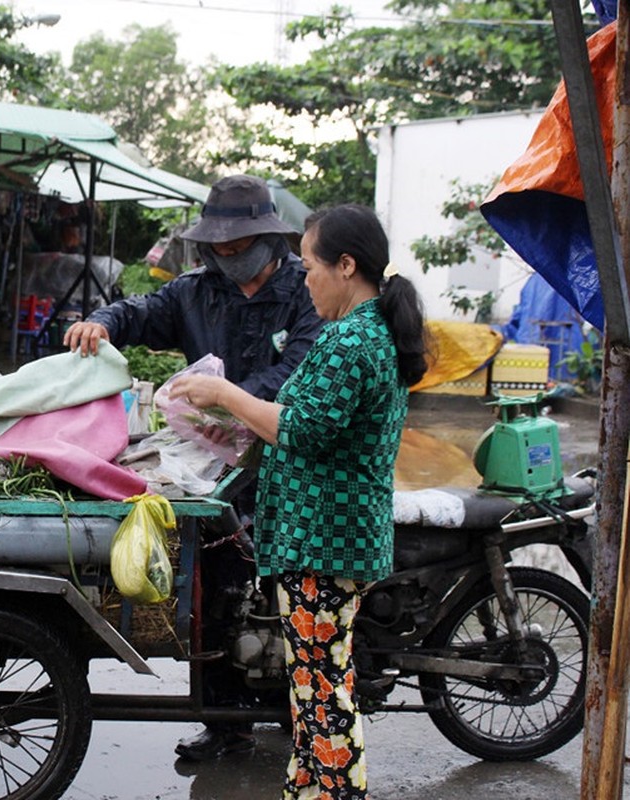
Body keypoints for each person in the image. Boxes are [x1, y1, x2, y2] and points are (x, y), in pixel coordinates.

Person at [170, 204, 428, 799]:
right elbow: (307, 428)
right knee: (314, 682)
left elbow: (302, 428)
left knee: (322, 685)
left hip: (323, 539)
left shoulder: (350, 339)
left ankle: (336, 792)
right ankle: (308, 790)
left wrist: (224, 393)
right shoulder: (368, 333)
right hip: (332, 535)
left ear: (345, 265)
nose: (303, 278)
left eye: (309, 265)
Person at [64, 174, 325, 761]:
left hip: (291, 462)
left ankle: (303, 710)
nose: (227, 260)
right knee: (213, 587)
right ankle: (226, 721)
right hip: (216, 468)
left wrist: (230, 406)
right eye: (218, 251)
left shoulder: (309, 291)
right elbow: (141, 310)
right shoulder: (196, 291)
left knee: (296, 590)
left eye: (238, 250)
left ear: (268, 239)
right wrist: (102, 322)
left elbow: (299, 373)